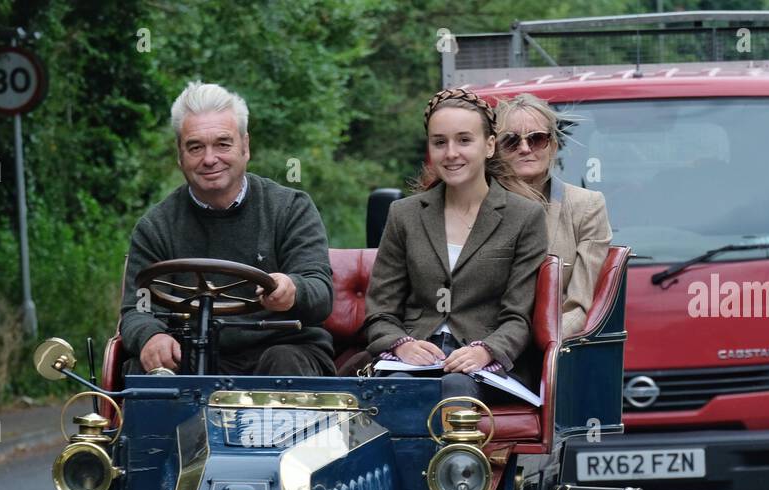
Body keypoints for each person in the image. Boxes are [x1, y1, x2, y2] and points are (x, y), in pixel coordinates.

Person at [118, 81, 335, 376]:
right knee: (148, 375)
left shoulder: (290, 208)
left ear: (245, 147)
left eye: (223, 143)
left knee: (285, 363)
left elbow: (320, 292)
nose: (209, 159)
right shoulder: (155, 227)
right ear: (180, 155)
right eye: (196, 147)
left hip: (283, 348)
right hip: (192, 352)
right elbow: (138, 309)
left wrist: (292, 289)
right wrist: (151, 336)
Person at [364, 88, 549, 399]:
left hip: (488, 367)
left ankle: (460, 452)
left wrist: (485, 351)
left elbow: (519, 316)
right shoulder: (404, 214)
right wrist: (403, 344)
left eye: (464, 140)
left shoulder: (525, 217)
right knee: (394, 393)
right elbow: (380, 312)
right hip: (416, 360)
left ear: (489, 145)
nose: (451, 153)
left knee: (455, 388)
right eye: (440, 142)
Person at [495, 92, 612, 340]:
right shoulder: (476, 205)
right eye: (511, 141)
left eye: (537, 139)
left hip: (548, 349)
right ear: (494, 149)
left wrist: (542, 345)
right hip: (479, 350)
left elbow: (580, 305)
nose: (525, 149)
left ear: (553, 146)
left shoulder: (587, 206)